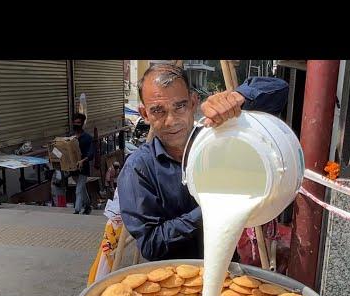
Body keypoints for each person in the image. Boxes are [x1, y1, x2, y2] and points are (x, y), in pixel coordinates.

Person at [117, 63, 288, 261]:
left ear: (193, 102)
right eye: (158, 111)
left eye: (179, 106)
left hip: (227, 273)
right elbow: (151, 244)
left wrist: (238, 97)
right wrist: (211, 207)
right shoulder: (138, 169)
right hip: (171, 282)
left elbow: (280, 90)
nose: (171, 120)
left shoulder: (218, 139)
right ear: (145, 114)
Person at [71, 113, 94, 215]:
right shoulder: (70, 138)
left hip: (83, 168)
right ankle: (88, 205)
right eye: (75, 122)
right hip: (73, 168)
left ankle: (77, 210)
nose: (76, 124)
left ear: (82, 123)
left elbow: (90, 154)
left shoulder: (88, 138)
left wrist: (82, 161)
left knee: (78, 189)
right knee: (82, 189)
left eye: (78, 122)